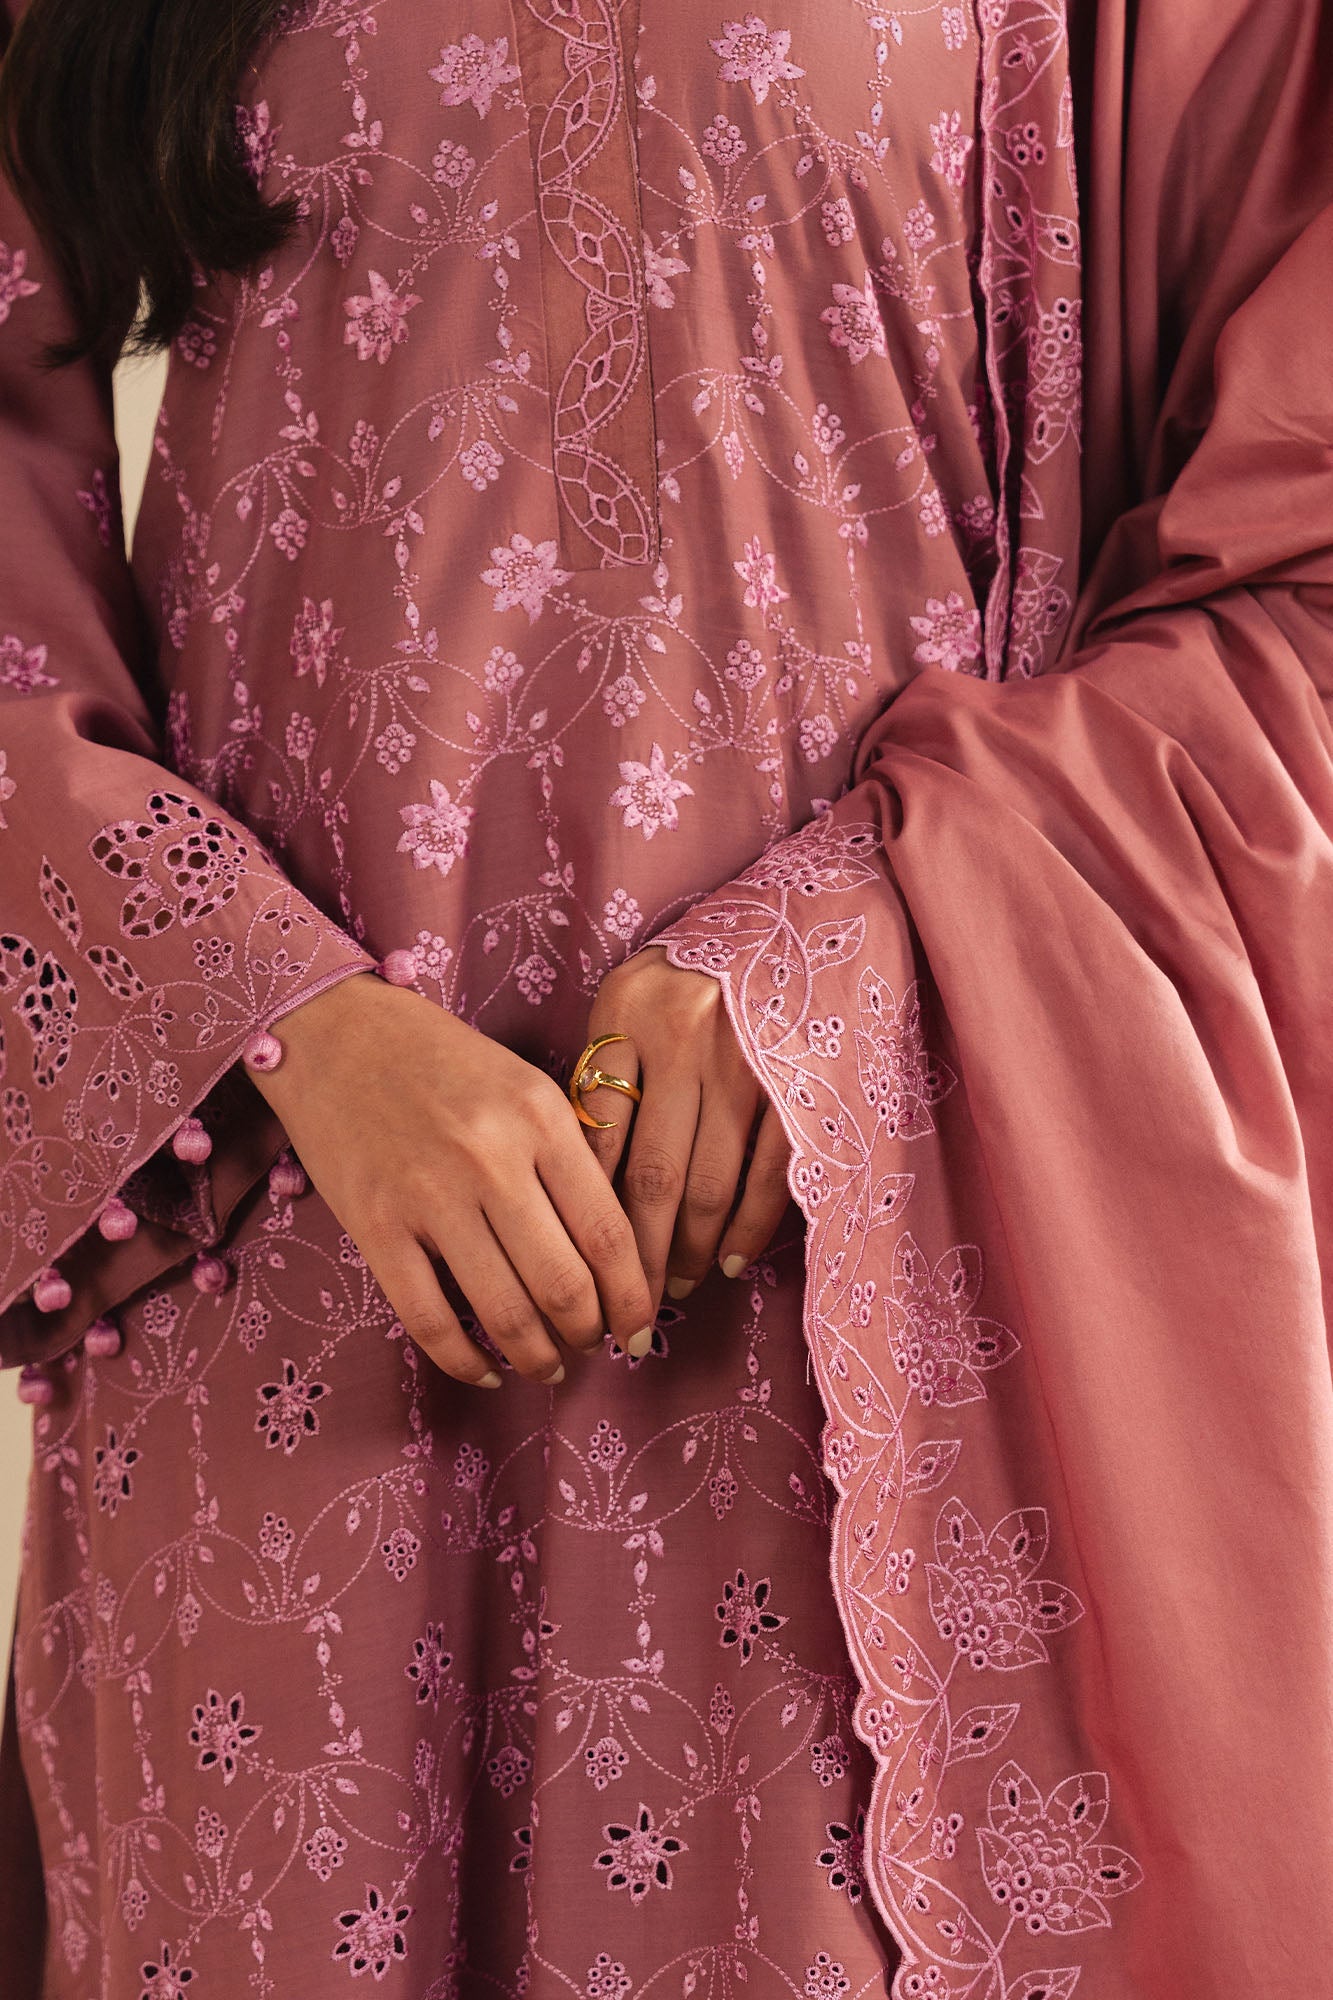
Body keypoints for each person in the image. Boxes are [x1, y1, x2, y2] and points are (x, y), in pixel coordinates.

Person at [1, 0, 1330, 1994]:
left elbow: (1297, 580)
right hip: (279, 1275)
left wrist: (849, 930)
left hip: (866, 1298)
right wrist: (281, 1014)